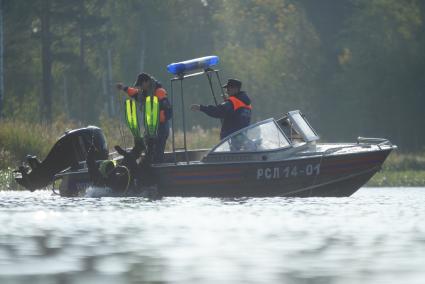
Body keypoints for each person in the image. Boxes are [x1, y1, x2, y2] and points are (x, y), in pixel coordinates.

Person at [117, 73, 172, 163]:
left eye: (141, 85)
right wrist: (124, 88)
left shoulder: (159, 91)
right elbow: (134, 93)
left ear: (147, 82)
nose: (140, 88)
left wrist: (158, 120)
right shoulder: (144, 93)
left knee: (158, 153)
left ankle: (159, 171)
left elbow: (168, 111)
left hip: (161, 127)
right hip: (150, 128)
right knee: (148, 151)